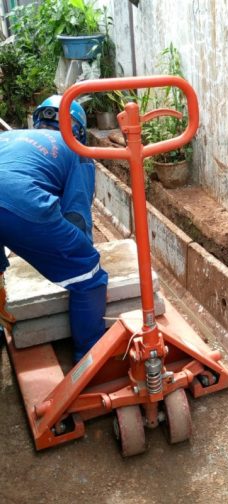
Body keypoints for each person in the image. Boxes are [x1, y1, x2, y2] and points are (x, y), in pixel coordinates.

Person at [0, 95, 108, 362]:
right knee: (88, 274)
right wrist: (80, 252)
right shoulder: (76, 151)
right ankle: (89, 358)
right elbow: (77, 216)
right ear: (79, 131)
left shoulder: (10, 137)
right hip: (21, 201)